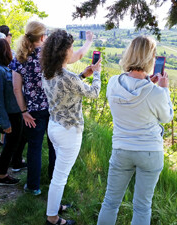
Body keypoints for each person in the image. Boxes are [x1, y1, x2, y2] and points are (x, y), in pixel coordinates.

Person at [97, 36, 174, 225]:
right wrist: (164, 89)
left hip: (121, 149)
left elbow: (131, 96)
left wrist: (148, 82)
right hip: (149, 151)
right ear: (151, 58)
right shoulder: (155, 92)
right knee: (142, 206)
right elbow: (166, 117)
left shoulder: (114, 83)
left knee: (110, 202)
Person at [12, 22, 94, 197]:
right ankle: (54, 179)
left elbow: (16, 88)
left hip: (32, 111)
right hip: (53, 107)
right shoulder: (49, 55)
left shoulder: (19, 57)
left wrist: (23, 111)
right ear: (42, 37)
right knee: (54, 147)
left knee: (34, 148)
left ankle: (33, 186)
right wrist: (88, 42)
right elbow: (77, 55)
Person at [41, 29, 102, 225]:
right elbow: (93, 93)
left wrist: (83, 74)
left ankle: (55, 206)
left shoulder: (48, 71)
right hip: (69, 132)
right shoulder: (68, 77)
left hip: (54, 126)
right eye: (71, 48)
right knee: (60, 178)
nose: (73, 51)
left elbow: (67, 87)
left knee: (58, 174)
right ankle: (53, 218)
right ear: (64, 52)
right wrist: (97, 74)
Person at [0, 29, 27, 172]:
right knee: (9, 146)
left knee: (18, 141)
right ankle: (2, 175)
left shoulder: (5, 68)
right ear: (3, 52)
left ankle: (15, 164)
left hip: (17, 113)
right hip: (10, 115)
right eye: (8, 49)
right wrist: (4, 123)